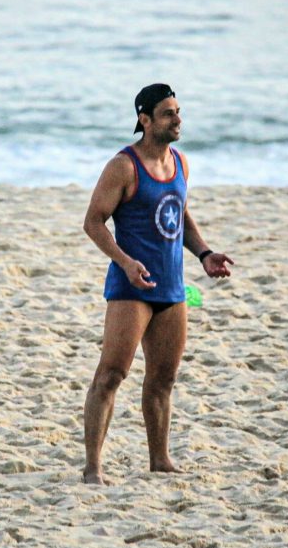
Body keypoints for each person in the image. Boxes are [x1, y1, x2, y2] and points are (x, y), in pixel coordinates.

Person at [82, 84, 234, 484]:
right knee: (111, 375)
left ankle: (160, 460)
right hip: (132, 289)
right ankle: (93, 467)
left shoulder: (181, 163)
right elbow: (93, 222)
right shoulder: (124, 166)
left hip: (172, 288)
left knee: (163, 380)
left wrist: (204, 253)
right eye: (168, 113)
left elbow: (179, 215)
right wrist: (125, 262)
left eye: (178, 111)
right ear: (145, 120)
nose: (177, 119)